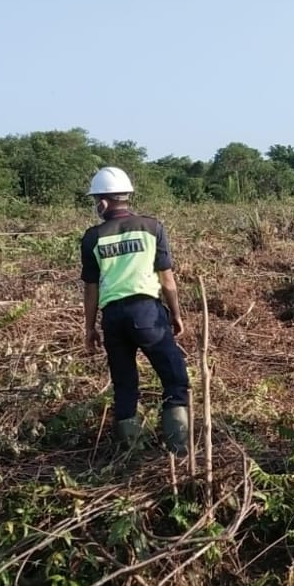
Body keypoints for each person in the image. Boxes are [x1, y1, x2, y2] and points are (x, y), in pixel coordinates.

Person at [80, 166, 191, 456]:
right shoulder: (153, 227)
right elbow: (167, 280)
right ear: (126, 196)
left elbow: (91, 289)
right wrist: (175, 314)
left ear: (103, 202)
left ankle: (130, 452)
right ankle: (178, 451)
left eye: (96, 201)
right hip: (147, 315)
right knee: (175, 377)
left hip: (113, 319)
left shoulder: (93, 237)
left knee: (125, 384)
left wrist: (90, 328)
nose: (96, 206)